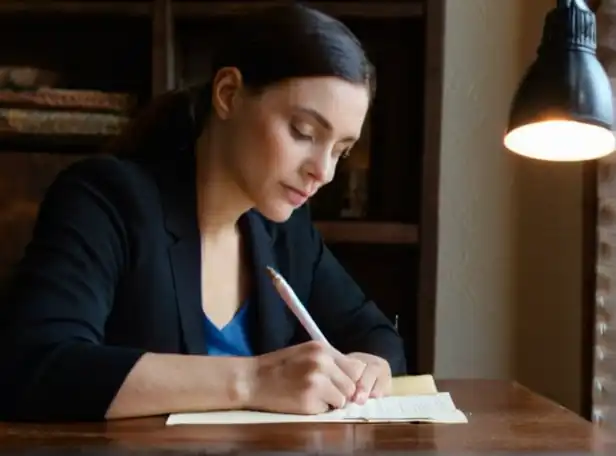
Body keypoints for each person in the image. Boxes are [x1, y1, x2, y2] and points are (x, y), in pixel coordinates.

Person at [0, 3, 406, 423]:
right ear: (228, 94)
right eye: (303, 132)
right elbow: (37, 365)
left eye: (341, 150)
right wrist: (253, 381)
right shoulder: (107, 200)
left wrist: (368, 371)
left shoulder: (283, 230)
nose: (322, 171)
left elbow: (376, 334)